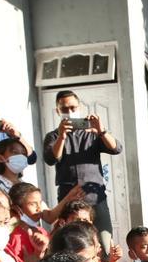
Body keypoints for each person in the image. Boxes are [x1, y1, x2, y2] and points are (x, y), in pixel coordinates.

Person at [42, 90, 122, 253]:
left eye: (73, 107)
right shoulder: (53, 136)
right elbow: (51, 159)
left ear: (80, 108)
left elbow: (116, 149)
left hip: (96, 200)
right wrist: (62, 137)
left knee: (105, 246)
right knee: (73, 247)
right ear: (58, 111)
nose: (69, 112)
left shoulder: (91, 133)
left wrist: (102, 131)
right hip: (69, 202)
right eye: (64, 109)